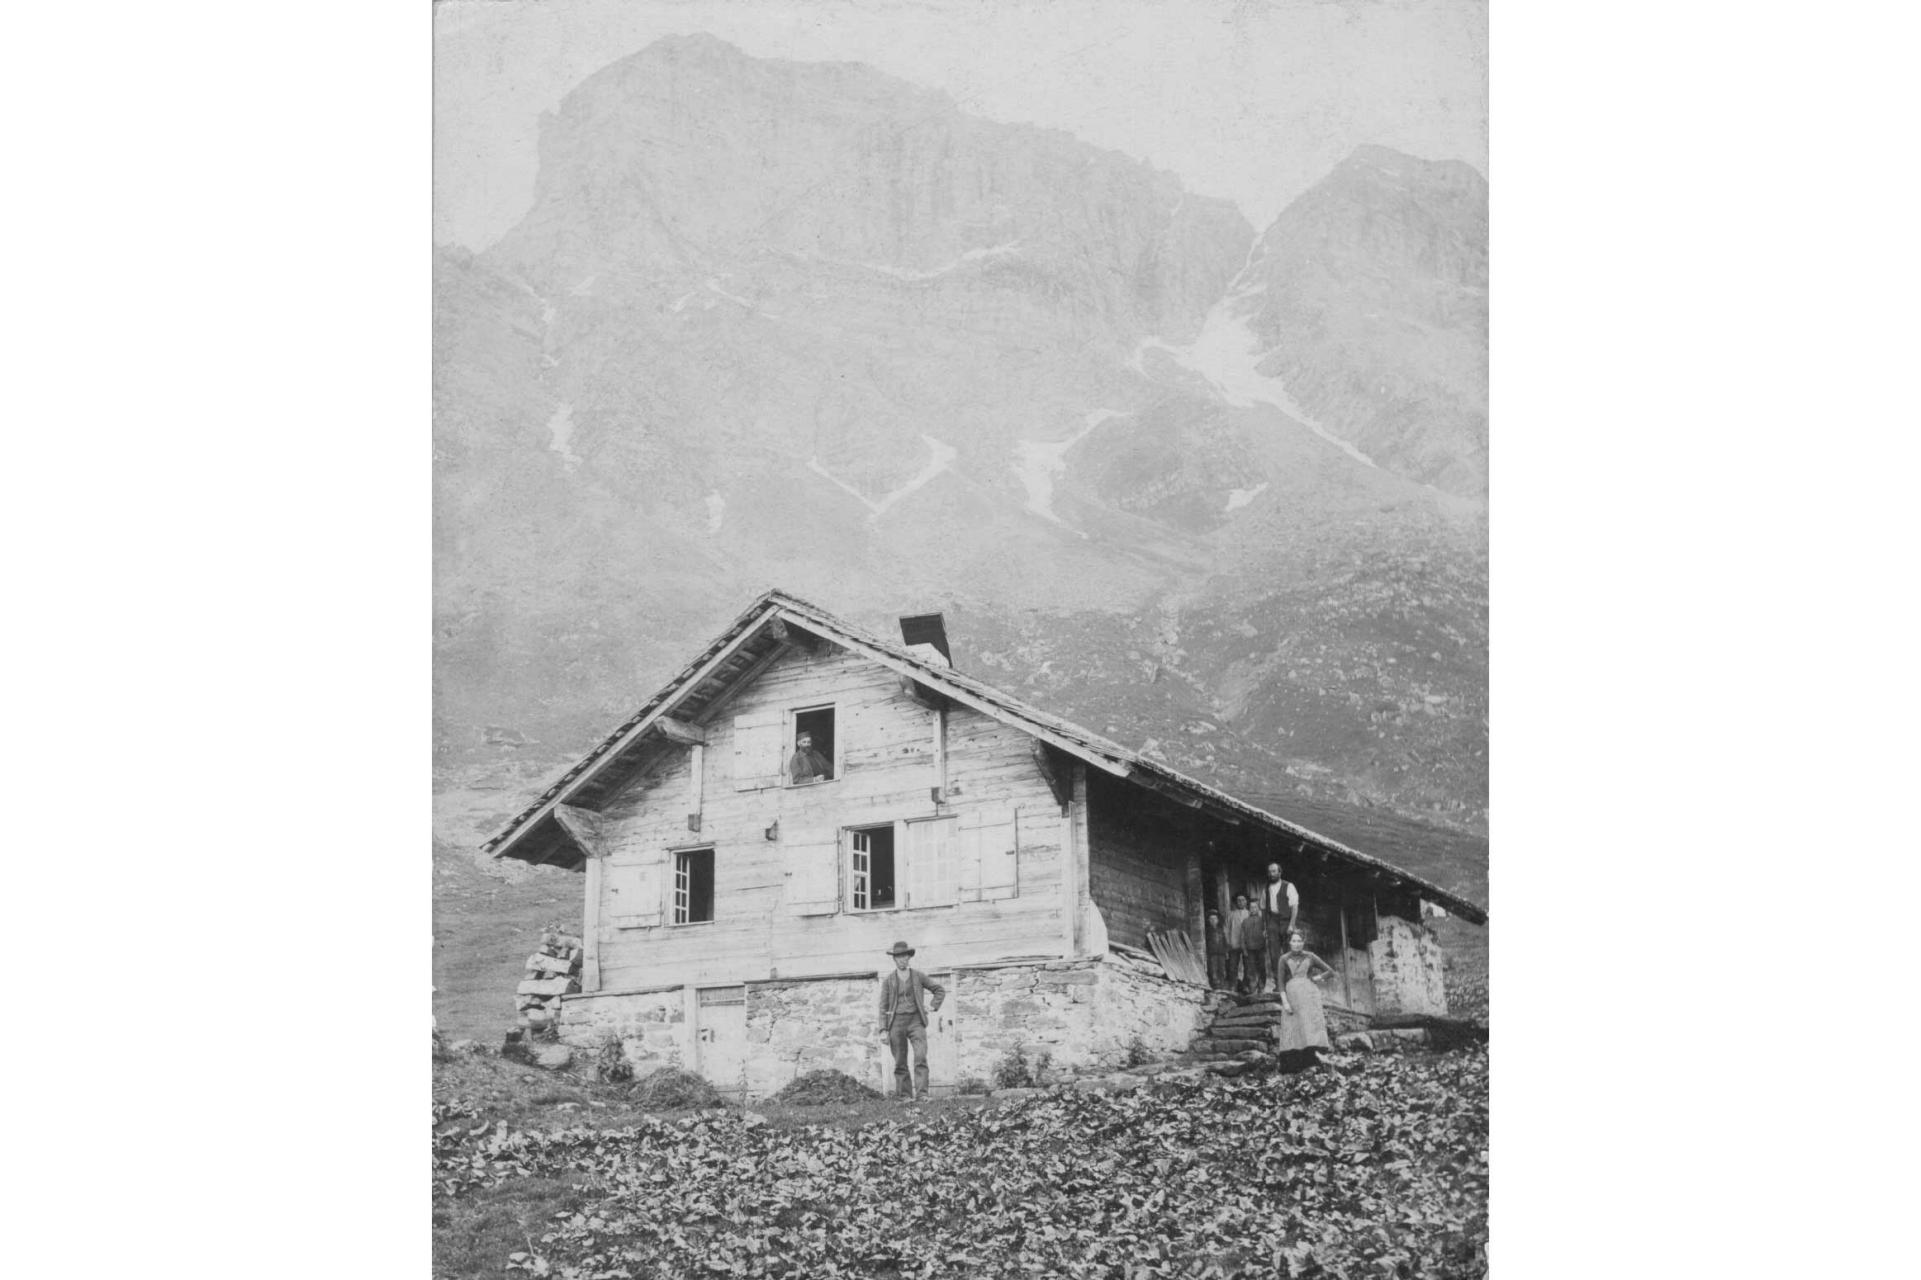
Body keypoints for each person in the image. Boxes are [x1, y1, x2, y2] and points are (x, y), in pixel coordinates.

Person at [877, 940, 945, 1102]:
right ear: (894, 959)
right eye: (899, 957)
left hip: (916, 1021)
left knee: (920, 1057)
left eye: (905, 956)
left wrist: (932, 1007)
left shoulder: (918, 976)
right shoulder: (889, 980)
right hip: (896, 1023)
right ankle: (905, 1095)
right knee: (900, 1061)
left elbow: (939, 990)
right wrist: (883, 1030)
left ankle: (922, 1094)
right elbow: (882, 1006)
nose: (902, 960)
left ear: (909, 957)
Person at [1276, 930, 1338, 1061]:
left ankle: (1314, 1059)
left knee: (1310, 1026)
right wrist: (1285, 1002)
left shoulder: (1310, 956)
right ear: (1289, 942)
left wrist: (1318, 978)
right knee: (1293, 1027)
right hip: (1292, 995)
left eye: (1299, 941)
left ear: (1303, 943)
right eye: (1294, 941)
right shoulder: (1284, 959)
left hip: (1309, 996)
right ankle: (1294, 1063)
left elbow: (1330, 971)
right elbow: (1280, 983)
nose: (1296, 944)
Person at [1258, 862, 1300, 994]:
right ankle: (1279, 984)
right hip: (1272, 922)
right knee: (1274, 954)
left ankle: (1291, 983)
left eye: (1274, 871)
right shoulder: (1266, 889)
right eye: (1270, 872)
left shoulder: (1288, 886)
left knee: (1289, 953)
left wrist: (1292, 924)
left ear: (1280, 873)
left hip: (1285, 921)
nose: (1272, 874)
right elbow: (1264, 909)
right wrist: (1265, 927)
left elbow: (1294, 906)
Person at [1235, 896, 1266, 996]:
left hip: (1260, 948)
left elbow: (1266, 935)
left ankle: (1261, 987)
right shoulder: (1245, 921)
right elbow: (1242, 937)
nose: (1253, 909)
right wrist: (1244, 949)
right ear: (1249, 909)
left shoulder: (1262, 921)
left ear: (1258, 908)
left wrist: (1265, 946)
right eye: (1251, 907)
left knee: (1261, 968)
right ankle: (1252, 987)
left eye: (1255, 907)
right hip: (1250, 949)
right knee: (1250, 969)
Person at [1226, 893, 1252, 992]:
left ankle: (1246, 986)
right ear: (1236, 902)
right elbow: (1226, 929)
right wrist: (1228, 941)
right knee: (1233, 966)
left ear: (1246, 902)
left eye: (1243, 900)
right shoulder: (1231, 914)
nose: (1241, 902)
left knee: (1248, 966)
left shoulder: (1250, 914)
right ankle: (1233, 985)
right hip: (1234, 943)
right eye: (1238, 900)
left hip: (1246, 945)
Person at [1203, 909, 1228, 989]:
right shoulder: (1207, 931)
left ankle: (1222, 985)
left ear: (1218, 920)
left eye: (1215, 919)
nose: (1213, 921)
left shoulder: (1221, 930)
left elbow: (1225, 941)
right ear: (1209, 920)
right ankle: (1215, 986)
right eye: (1211, 919)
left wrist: (1226, 951)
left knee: (1222, 969)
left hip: (1221, 953)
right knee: (1213, 969)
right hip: (1212, 953)